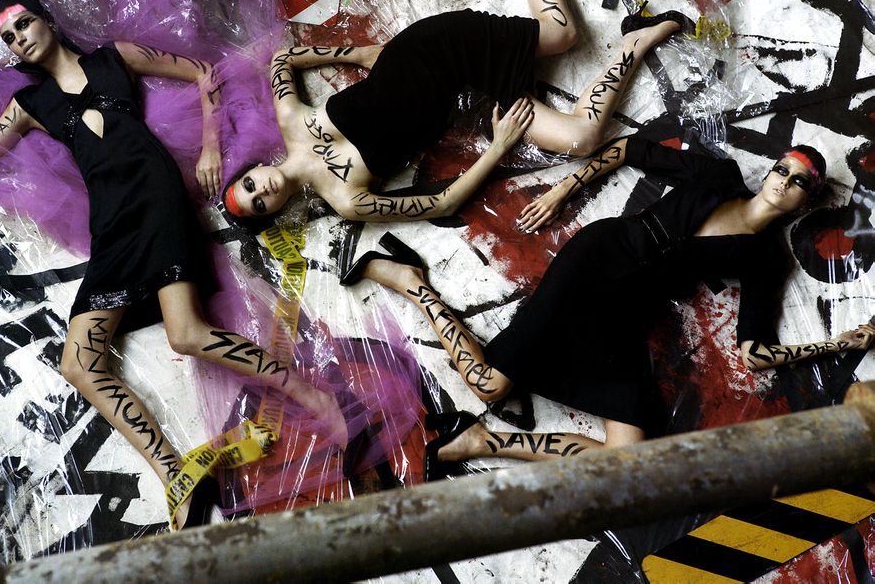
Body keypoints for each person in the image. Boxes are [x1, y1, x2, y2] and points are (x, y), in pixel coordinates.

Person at [0, 0, 347, 529]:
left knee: (187, 334)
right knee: (79, 364)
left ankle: (309, 394)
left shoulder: (115, 57)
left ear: (48, 20)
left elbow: (203, 72)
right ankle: (174, 474)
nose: (20, 38)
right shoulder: (30, 104)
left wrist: (210, 144)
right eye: (10, 37)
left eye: (25, 23)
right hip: (111, 224)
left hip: (157, 198)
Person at [342, 136, 875, 479]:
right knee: (488, 385)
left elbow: (754, 353)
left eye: (799, 182)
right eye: (782, 169)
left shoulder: (767, 259)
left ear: (806, 201)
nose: (783, 181)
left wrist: (837, 343)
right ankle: (412, 282)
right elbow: (628, 149)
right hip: (596, 263)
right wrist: (563, 189)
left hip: (624, 319)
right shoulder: (720, 176)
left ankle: (483, 439)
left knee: (628, 460)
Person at [221, 0, 694, 227]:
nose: (263, 190)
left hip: (434, 49)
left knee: (563, 35)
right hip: (465, 90)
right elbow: (442, 202)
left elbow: (282, 59)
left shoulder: (291, 120)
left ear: (253, 168)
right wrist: (498, 147)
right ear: (275, 211)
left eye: (250, 185)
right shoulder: (346, 201)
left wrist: (360, 52)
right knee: (583, 139)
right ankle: (634, 40)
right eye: (260, 203)